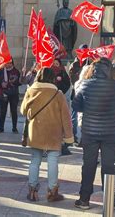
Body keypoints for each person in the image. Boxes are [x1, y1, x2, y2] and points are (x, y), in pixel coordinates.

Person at [72, 58, 115, 210]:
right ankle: (109, 200)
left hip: (90, 132)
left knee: (88, 165)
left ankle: (84, 199)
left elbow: (76, 105)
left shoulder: (85, 84)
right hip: (111, 131)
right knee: (108, 166)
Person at [20, 67, 73, 202]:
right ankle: (52, 191)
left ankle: (32, 191)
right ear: (53, 78)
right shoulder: (58, 94)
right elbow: (66, 117)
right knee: (53, 161)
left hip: (35, 131)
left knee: (35, 161)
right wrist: (69, 137)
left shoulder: (31, 90)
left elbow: (23, 111)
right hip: (53, 132)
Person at [0, 61, 21, 133]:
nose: (8, 65)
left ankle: (14, 128)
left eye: (10, 63)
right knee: (3, 111)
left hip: (14, 93)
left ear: (12, 63)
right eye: (6, 63)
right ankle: (1, 127)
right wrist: (1, 84)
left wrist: (13, 82)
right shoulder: (1, 71)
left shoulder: (16, 71)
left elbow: (20, 82)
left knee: (14, 111)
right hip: (3, 93)